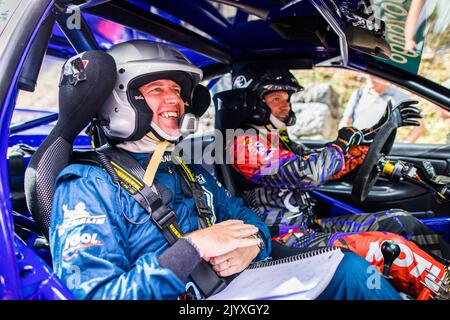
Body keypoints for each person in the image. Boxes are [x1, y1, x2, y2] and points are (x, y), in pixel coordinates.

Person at [49, 41, 401, 300]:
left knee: (350, 272)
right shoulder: (86, 184)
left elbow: (251, 220)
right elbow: (94, 295)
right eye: (157, 89)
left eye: (178, 91)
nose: (175, 100)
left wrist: (253, 245)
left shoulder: (185, 171)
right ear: (119, 101)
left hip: (235, 288)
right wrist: (191, 249)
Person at [223, 64, 450, 299]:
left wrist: (371, 135)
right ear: (253, 101)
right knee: (390, 249)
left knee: (400, 221)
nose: (286, 105)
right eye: (276, 98)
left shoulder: (275, 138)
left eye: (287, 98)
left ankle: (444, 273)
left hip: (308, 227)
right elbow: (307, 173)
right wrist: (341, 144)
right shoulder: (244, 145)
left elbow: (326, 165)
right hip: (284, 241)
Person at [339, 75, 425, 143]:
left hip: (381, 152)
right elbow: (346, 121)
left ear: (385, 76)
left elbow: (419, 127)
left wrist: (403, 146)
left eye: (375, 75)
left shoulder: (400, 97)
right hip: (356, 147)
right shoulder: (359, 93)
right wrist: (345, 141)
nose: (370, 78)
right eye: (369, 74)